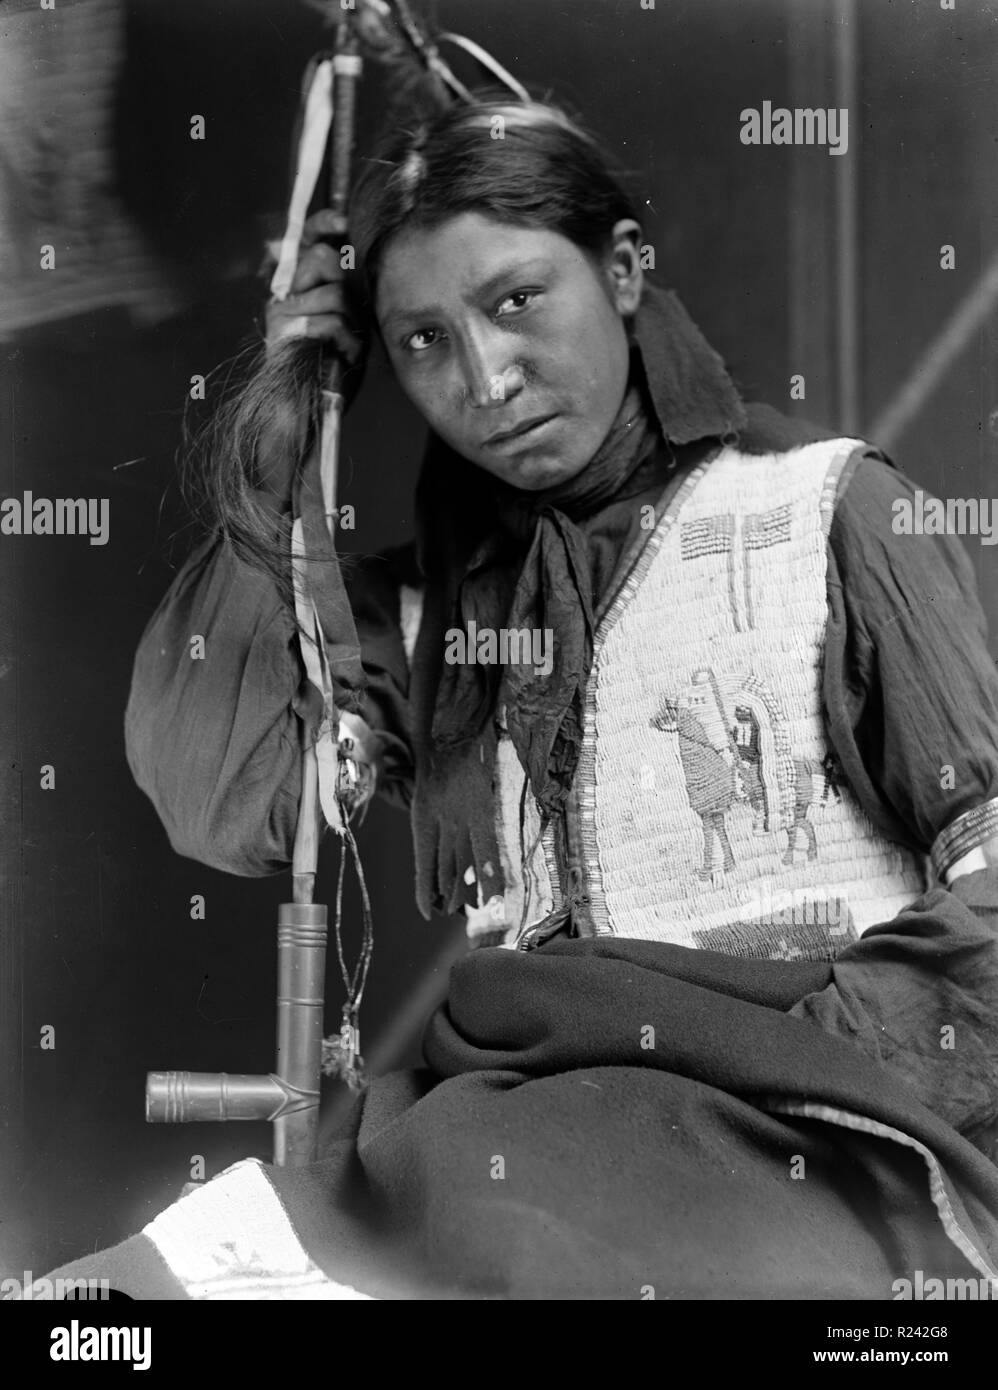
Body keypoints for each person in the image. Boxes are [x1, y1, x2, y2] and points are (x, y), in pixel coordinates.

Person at [105, 95, 998, 1298]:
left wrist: (749, 1052)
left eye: (516, 299)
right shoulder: (434, 621)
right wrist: (285, 407)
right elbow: (217, 798)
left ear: (622, 269)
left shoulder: (823, 517)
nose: (484, 376)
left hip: (815, 1150)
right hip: (512, 1142)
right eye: (420, 340)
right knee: (132, 1303)